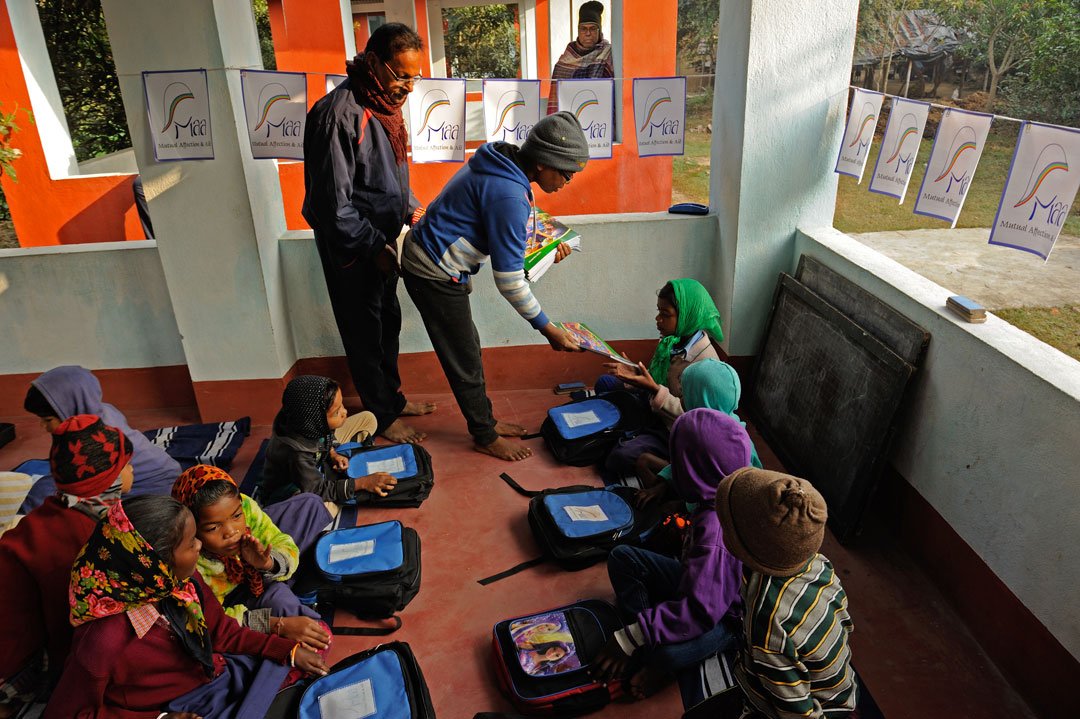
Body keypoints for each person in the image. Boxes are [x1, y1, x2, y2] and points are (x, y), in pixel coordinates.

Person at [401, 112, 588, 461]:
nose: (568, 182)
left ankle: (485, 420)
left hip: (435, 258)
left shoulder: (501, 163)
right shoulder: (509, 194)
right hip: (432, 269)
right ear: (545, 162)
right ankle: (484, 435)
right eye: (567, 173)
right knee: (464, 357)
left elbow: (506, 230)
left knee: (467, 347)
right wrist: (548, 329)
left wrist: (546, 253)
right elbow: (509, 281)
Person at [43, 495, 329, 719]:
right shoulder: (102, 641)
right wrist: (159, 718)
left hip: (214, 673)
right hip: (180, 706)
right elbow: (69, 713)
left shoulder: (182, 583)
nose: (200, 545)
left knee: (306, 662)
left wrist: (283, 649)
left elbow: (223, 634)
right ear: (155, 563)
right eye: (191, 543)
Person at [303, 22, 436, 445]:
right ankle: (381, 413)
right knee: (363, 331)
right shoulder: (337, 115)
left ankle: (391, 398)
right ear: (375, 63)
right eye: (402, 75)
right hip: (352, 246)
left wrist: (411, 207)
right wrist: (373, 245)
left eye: (416, 77)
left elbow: (385, 178)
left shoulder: (384, 106)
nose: (410, 87)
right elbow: (331, 207)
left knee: (387, 325)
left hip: (379, 242)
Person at [592, 409, 751, 700]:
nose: (672, 468)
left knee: (666, 656)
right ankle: (650, 634)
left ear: (693, 470)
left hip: (725, 617)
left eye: (677, 461)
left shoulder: (716, 533)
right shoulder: (716, 497)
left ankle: (649, 647)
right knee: (622, 556)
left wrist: (629, 639)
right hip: (700, 586)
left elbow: (701, 610)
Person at [0, 415, 134, 714]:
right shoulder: (85, 543)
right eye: (125, 465)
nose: (132, 470)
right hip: (11, 660)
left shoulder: (55, 511)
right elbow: (68, 626)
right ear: (107, 480)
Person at [714, 468, 858, 717]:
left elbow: (796, 712)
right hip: (839, 686)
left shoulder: (767, 621)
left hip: (813, 707)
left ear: (741, 545)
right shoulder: (816, 562)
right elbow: (844, 623)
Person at [171, 465, 331, 649]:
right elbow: (215, 622)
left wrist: (268, 563)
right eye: (213, 528)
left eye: (237, 516)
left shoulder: (245, 507)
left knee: (310, 504)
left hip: (258, 571)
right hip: (231, 602)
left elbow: (279, 541)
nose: (231, 532)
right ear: (192, 530)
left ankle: (290, 589)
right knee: (280, 600)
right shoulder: (190, 562)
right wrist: (273, 624)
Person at [601, 279, 723, 482]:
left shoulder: (705, 364)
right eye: (659, 312)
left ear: (687, 315)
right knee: (605, 383)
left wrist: (654, 390)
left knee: (618, 457)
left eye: (665, 314)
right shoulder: (672, 341)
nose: (658, 319)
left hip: (675, 431)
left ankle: (671, 465)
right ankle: (627, 431)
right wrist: (636, 374)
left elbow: (696, 420)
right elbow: (659, 378)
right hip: (655, 408)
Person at [20, 365, 182, 513]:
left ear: (69, 409)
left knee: (45, 495)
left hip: (156, 491)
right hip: (168, 473)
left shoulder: (93, 439)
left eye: (48, 420)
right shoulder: (103, 410)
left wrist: (23, 513)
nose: (43, 426)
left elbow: (64, 486)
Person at [635, 358, 764, 508]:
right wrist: (662, 485)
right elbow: (689, 464)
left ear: (701, 397)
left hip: (722, 502)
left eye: (685, 393)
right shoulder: (700, 428)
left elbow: (720, 494)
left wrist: (683, 506)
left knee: (666, 509)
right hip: (701, 485)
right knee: (644, 461)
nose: (680, 399)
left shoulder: (730, 443)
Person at [259, 375, 397, 506]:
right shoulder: (296, 454)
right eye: (337, 412)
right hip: (297, 486)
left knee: (369, 418)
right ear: (314, 420)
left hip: (315, 455)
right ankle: (343, 461)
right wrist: (362, 483)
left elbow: (324, 435)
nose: (345, 412)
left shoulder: (305, 423)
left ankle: (340, 455)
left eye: (342, 405)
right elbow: (317, 490)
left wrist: (333, 454)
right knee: (325, 508)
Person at [546, 1, 615, 115]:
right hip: (570, 121)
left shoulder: (607, 54)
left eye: (592, 28)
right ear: (578, 31)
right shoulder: (564, 62)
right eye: (583, 28)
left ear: (599, 30)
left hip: (598, 121)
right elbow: (556, 101)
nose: (588, 33)